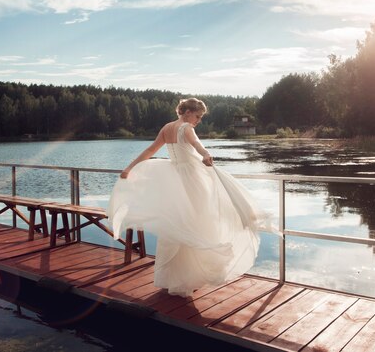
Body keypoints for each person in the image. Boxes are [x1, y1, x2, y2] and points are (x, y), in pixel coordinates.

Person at [107, 98, 268, 297]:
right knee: (197, 224)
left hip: (175, 179)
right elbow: (197, 144)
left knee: (177, 227)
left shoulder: (166, 128)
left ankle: (174, 279)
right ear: (188, 112)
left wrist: (129, 168)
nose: (198, 120)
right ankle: (190, 277)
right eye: (198, 116)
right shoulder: (186, 128)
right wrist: (206, 154)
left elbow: (150, 151)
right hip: (192, 180)